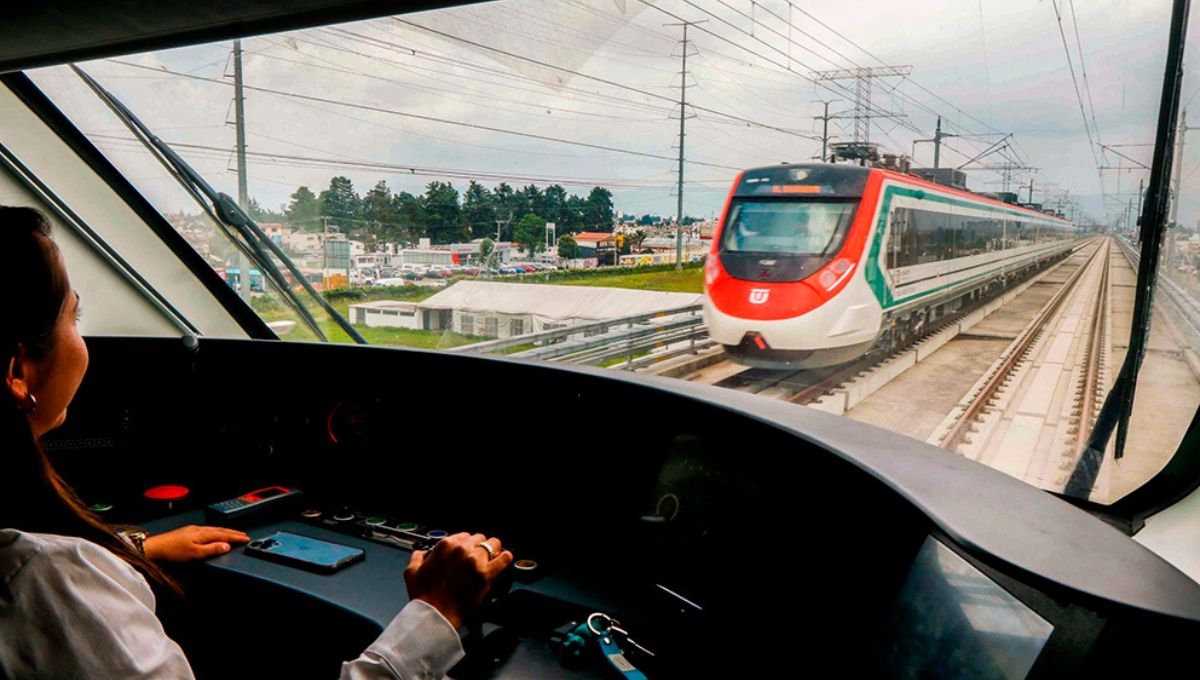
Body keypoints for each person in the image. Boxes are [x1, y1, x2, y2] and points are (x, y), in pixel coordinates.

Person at [0, 206, 514, 678]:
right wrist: (433, 618)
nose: (80, 339)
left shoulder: (48, 568)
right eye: (75, 317)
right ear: (19, 370)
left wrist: (131, 550)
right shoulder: (48, 583)